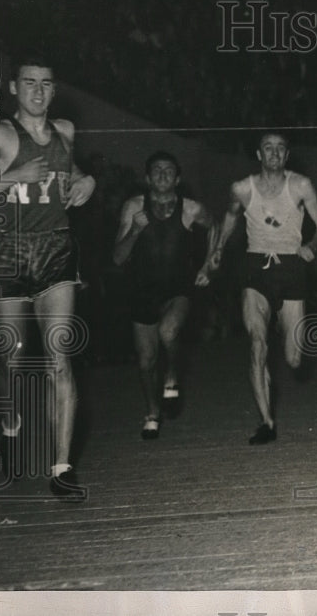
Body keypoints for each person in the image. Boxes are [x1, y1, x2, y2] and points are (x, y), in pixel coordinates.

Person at [0, 57, 97, 499]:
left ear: (54, 89)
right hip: (7, 254)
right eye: (29, 83)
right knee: (11, 361)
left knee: (59, 360)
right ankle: (11, 423)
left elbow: (76, 174)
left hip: (55, 250)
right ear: (13, 87)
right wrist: (13, 177)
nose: (38, 91)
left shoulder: (66, 131)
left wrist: (88, 182)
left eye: (46, 83)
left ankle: (62, 467)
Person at [204, 132, 317, 444]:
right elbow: (230, 218)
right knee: (257, 344)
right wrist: (218, 248)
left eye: (280, 149)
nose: (274, 153)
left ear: (287, 155)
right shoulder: (242, 188)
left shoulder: (300, 185)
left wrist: (312, 244)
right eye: (267, 148)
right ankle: (266, 422)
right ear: (258, 155)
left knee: (294, 358)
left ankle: (288, 339)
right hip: (255, 268)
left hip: (291, 267)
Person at [112, 151, 214, 439]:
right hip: (142, 291)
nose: (162, 175)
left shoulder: (191, 208)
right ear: (147, 178)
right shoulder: (133, 206)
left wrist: (209, 264)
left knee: (169, 332)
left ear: (178, 178)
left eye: (169, 171)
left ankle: (172, 377)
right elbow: (118, 258)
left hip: (177, 288)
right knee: (146, 361)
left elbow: (216, 227)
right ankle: (152, 412)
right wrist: (134, 230)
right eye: (156, 170)